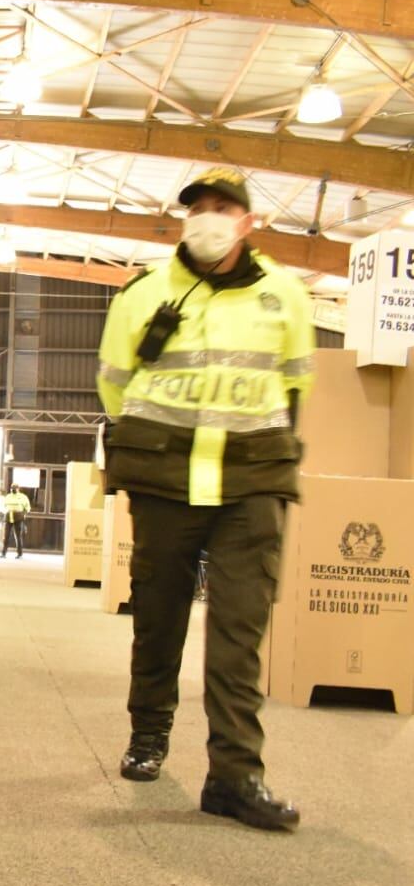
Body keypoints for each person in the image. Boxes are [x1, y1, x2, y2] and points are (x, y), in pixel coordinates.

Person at [97, 167, 315, 832]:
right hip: (166, 482)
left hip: (249, 483)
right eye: (197, 208)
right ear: (182, 219)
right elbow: (115, 387)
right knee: (157, 619)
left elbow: (294, 387)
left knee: (237, 631)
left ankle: (234, 774)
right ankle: (148, 735)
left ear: (248, 222)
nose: (209, 218)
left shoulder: (285, 294)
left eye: (224, 207)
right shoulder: (141, 294)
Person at [0, 488, 30, 557]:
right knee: (6, 536)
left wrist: (23, 514)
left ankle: (19, 553)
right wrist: (4, 513)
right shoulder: (8, 496)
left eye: (14, 488)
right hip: (8, 516)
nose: (13, 490)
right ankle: (3, 553)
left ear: (18, 489)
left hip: (18, 517)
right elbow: (3, 506)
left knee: (18, 536)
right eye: (12, 488)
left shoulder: (23, 497)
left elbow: (27, 507)